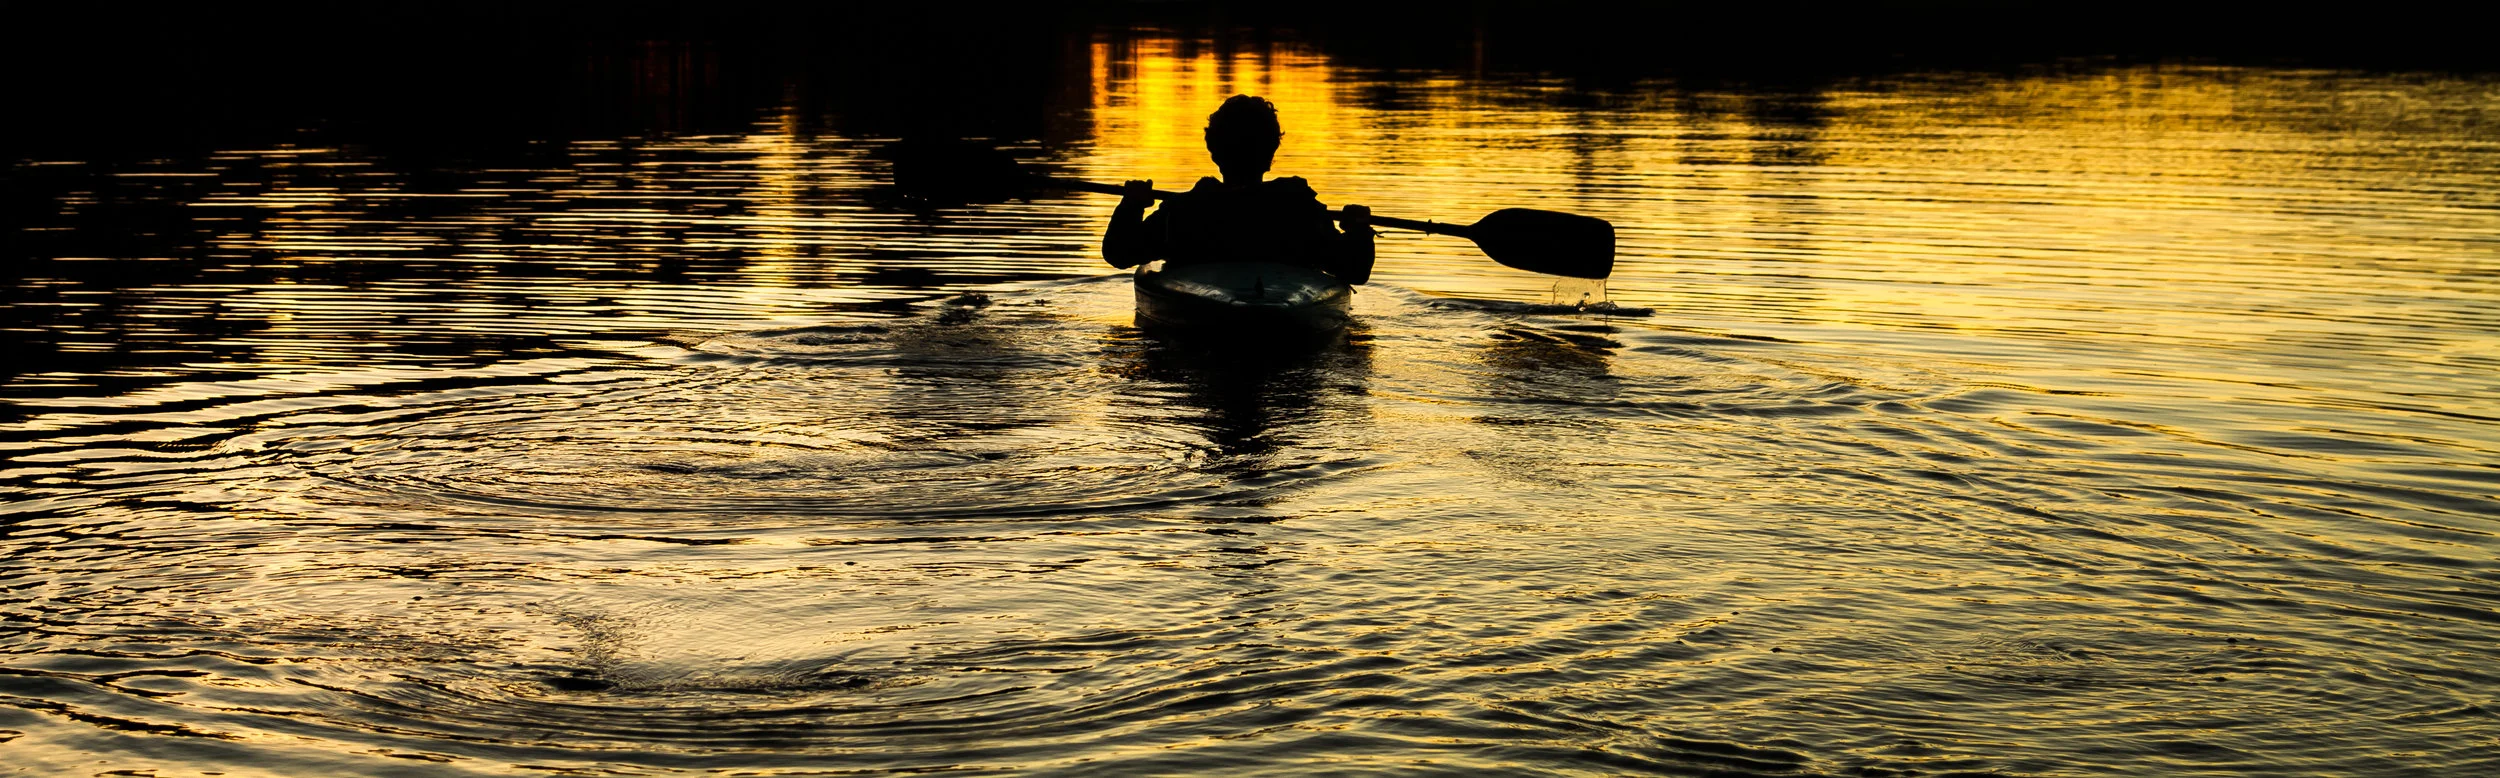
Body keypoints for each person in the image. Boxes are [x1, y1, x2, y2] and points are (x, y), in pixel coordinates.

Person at [1102, 95, 1374, 284]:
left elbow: (1119, 253)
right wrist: (1358, 230)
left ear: (1213, 152)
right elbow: (1354, 270)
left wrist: (1132, 205)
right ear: (1271, 154)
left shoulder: (1185, 211)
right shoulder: (1299, 209)